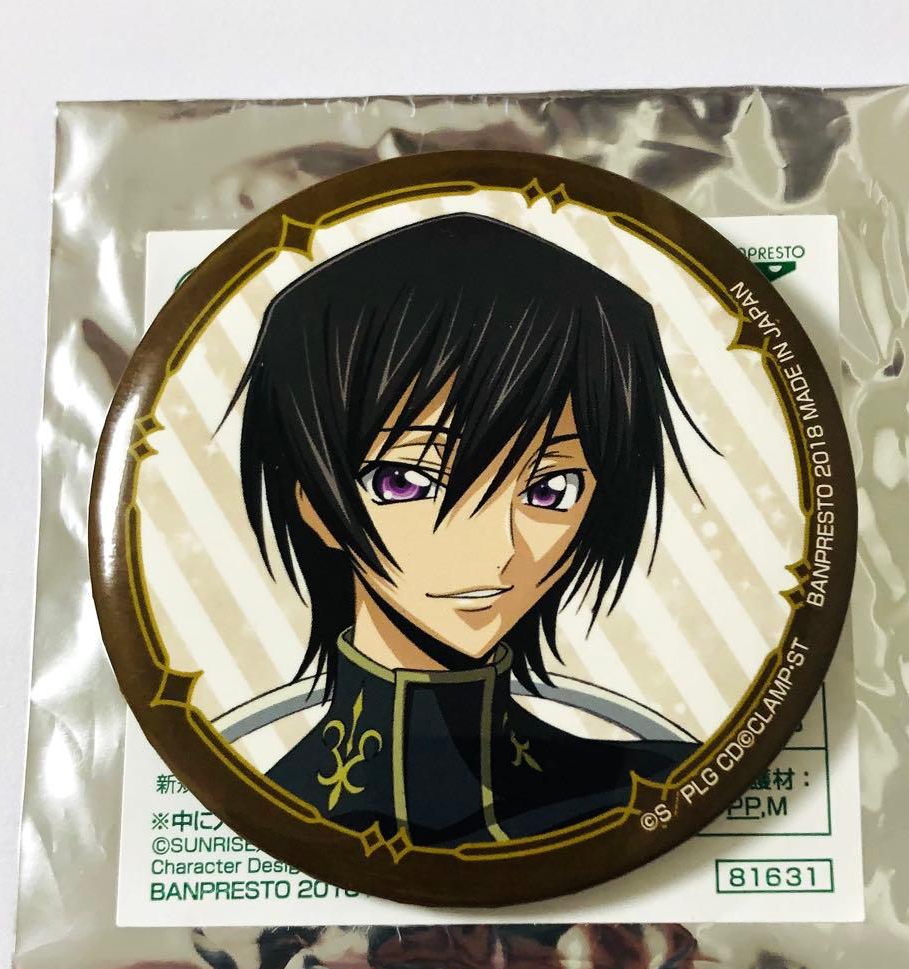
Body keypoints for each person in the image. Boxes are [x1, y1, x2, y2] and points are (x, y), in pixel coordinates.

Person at [214, 212, 714, 849]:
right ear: (312, 500)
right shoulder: (247, 816)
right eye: (407, 481)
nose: (497, 551)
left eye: (550, 489)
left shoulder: (662, 784)